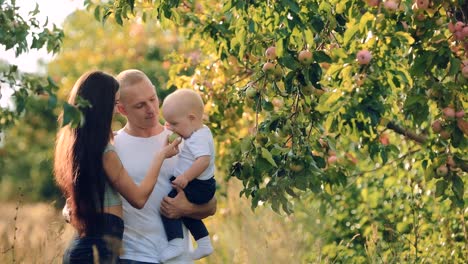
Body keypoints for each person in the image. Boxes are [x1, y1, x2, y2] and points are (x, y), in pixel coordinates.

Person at [54, 70, 181, 264]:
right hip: (99, 250)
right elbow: (138, 199)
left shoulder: (86, 146)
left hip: (94, 248)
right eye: (113, 103)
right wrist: (160, 157)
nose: (151, 109)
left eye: (153, 99)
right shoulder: (107, 151)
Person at [114, 69, 217, 264]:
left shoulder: (186, 138)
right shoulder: (112, 146)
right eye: (140, 105)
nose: (151, 109)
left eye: (153, 99)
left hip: (179, 259)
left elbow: (211, 205)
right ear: (122, 110)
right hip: (133, 257)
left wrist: (186, 208)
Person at [159, 89, 216, 262]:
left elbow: (203, 161)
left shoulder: (198, 138)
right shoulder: (198, 132)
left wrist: (185, 177)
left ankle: (176, 244)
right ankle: (204, 243)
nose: (171, 128)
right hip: (199, 184)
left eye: (174, 124)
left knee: (168, 207)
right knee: (185, 213)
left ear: (191, 118)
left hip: (196, 184)